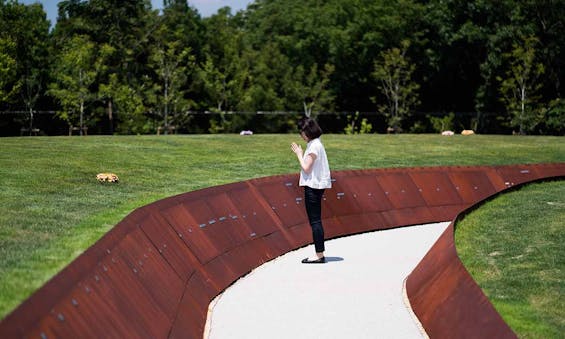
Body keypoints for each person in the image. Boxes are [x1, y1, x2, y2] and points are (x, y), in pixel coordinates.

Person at [291, 117, 332, 264]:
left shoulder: (314, 146)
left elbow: (306, 167)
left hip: (313, 187)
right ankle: (319, 253)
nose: (301, 135)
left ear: (307, 131)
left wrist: (299, 154)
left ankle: (319, 254)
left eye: (301, 131)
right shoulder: (316, 143)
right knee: (316, 220)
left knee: (315, 221)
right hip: (317, 186)